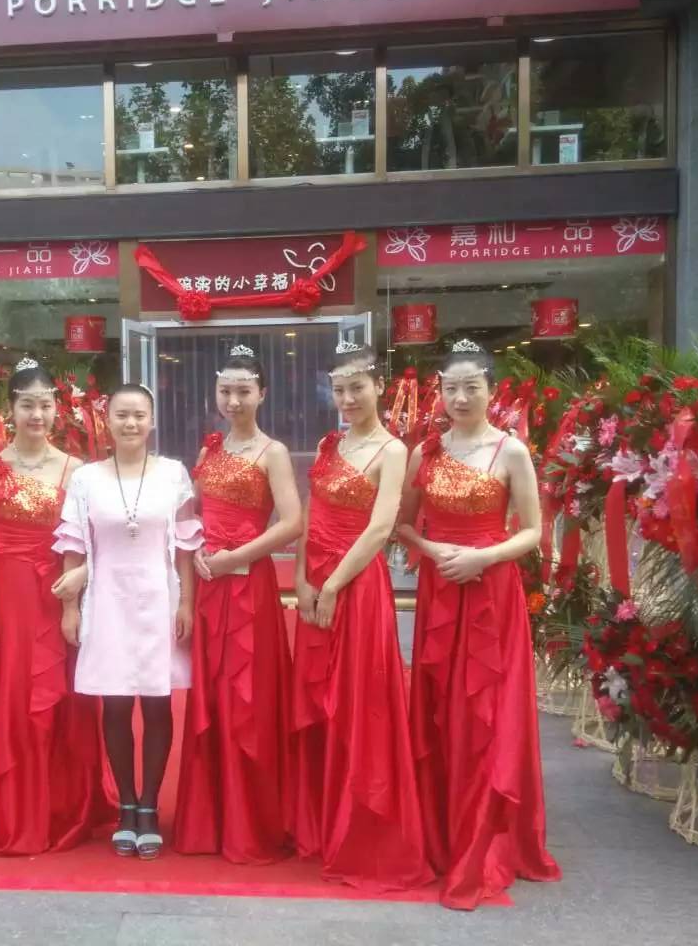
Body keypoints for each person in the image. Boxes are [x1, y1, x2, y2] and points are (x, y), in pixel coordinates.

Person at [398, 338, 561, 910]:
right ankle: (440, 831)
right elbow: (402, 524)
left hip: (491, 593)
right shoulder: (425, 451)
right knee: (441, 707)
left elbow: (533, 532)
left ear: (492, 391)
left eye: (472, 386)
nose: (461, 397)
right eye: (451, 388)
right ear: (439, 394)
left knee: (486, 714)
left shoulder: (511, 451)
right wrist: (433, 550)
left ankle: (487, 833)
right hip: (441, 587)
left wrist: (482, 557)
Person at [292, 342, 432, 891]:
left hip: (357, 587)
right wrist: (303, 578)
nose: (348, 398)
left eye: (357, 387)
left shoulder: (392, 450)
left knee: (358, 705)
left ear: (379, 387)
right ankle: (321, 822)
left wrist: (333, 585)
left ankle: (362, 831)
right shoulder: (330, 444)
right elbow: (311, 512)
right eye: (339, 389)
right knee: (317, 704)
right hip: (317, 580)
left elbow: (380, 528)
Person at [53, 384, 202, 860]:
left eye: (139, 415)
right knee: (115, 705)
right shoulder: (86, 479)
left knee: (158, 705)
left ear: (152, 421)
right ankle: (127, 807)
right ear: (107, 421)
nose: (131, 423)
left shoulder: (174, 474)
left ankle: (151, 807)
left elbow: (186, 544)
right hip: (107, 598)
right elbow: (74, 542)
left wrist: (186, 603)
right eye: (122, 415)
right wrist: (71, 607)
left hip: (159, 597)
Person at [0, 358, 109, 854]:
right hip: (8, 594)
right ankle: (16, 814)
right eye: (27, 405)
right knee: (14, 698)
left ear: (57, 409)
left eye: (45, 405)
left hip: (57, 591)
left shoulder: (76, 470)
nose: (37, 414)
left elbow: (86, 541)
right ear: (10, 409)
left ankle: (63, 809)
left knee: (60, 699)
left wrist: (76, 599)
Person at [174, 345, 301, 864]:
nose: (233, 400)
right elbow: (190, 513)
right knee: (212, 694)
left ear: (261, 394)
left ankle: (252, 823)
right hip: (210, 585)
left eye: (243, 390)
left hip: (249, 588)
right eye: (225, 390)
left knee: (248, 698)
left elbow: (293, 523)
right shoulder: (209, 450)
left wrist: (236, 557)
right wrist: (197, 548)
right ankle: (211, 821)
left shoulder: (273, 452)